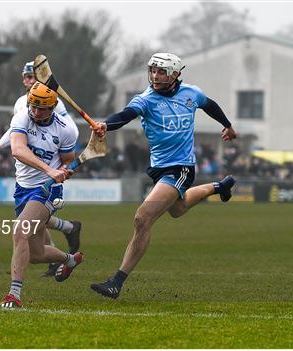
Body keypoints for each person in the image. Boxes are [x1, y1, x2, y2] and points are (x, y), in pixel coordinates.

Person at [90, 53, 238, 299]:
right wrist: (107, 124)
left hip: (180, 168)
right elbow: (126, 115)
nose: (156, 76)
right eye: (153, 71)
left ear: (175, 75)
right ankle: (219, 187)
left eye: (162, 72)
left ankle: (116, 282)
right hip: (160, 169)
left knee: (142, 218)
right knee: (177, 210)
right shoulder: (146, 100)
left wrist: (228, 125)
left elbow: (209, 105)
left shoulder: (191, 94)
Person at [0, 82, 84, 309]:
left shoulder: (66, 129)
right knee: (35, 254)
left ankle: (14, 295)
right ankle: (70, 259)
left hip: (47, 190)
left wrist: (63, 171)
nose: (36, 112)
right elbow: (17, 149)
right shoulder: (22, 117)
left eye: (42, 108)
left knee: (20, 230)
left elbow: (67, 160)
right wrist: (50, 169)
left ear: (53, 107)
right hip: (23, 188)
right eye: (33, 106)